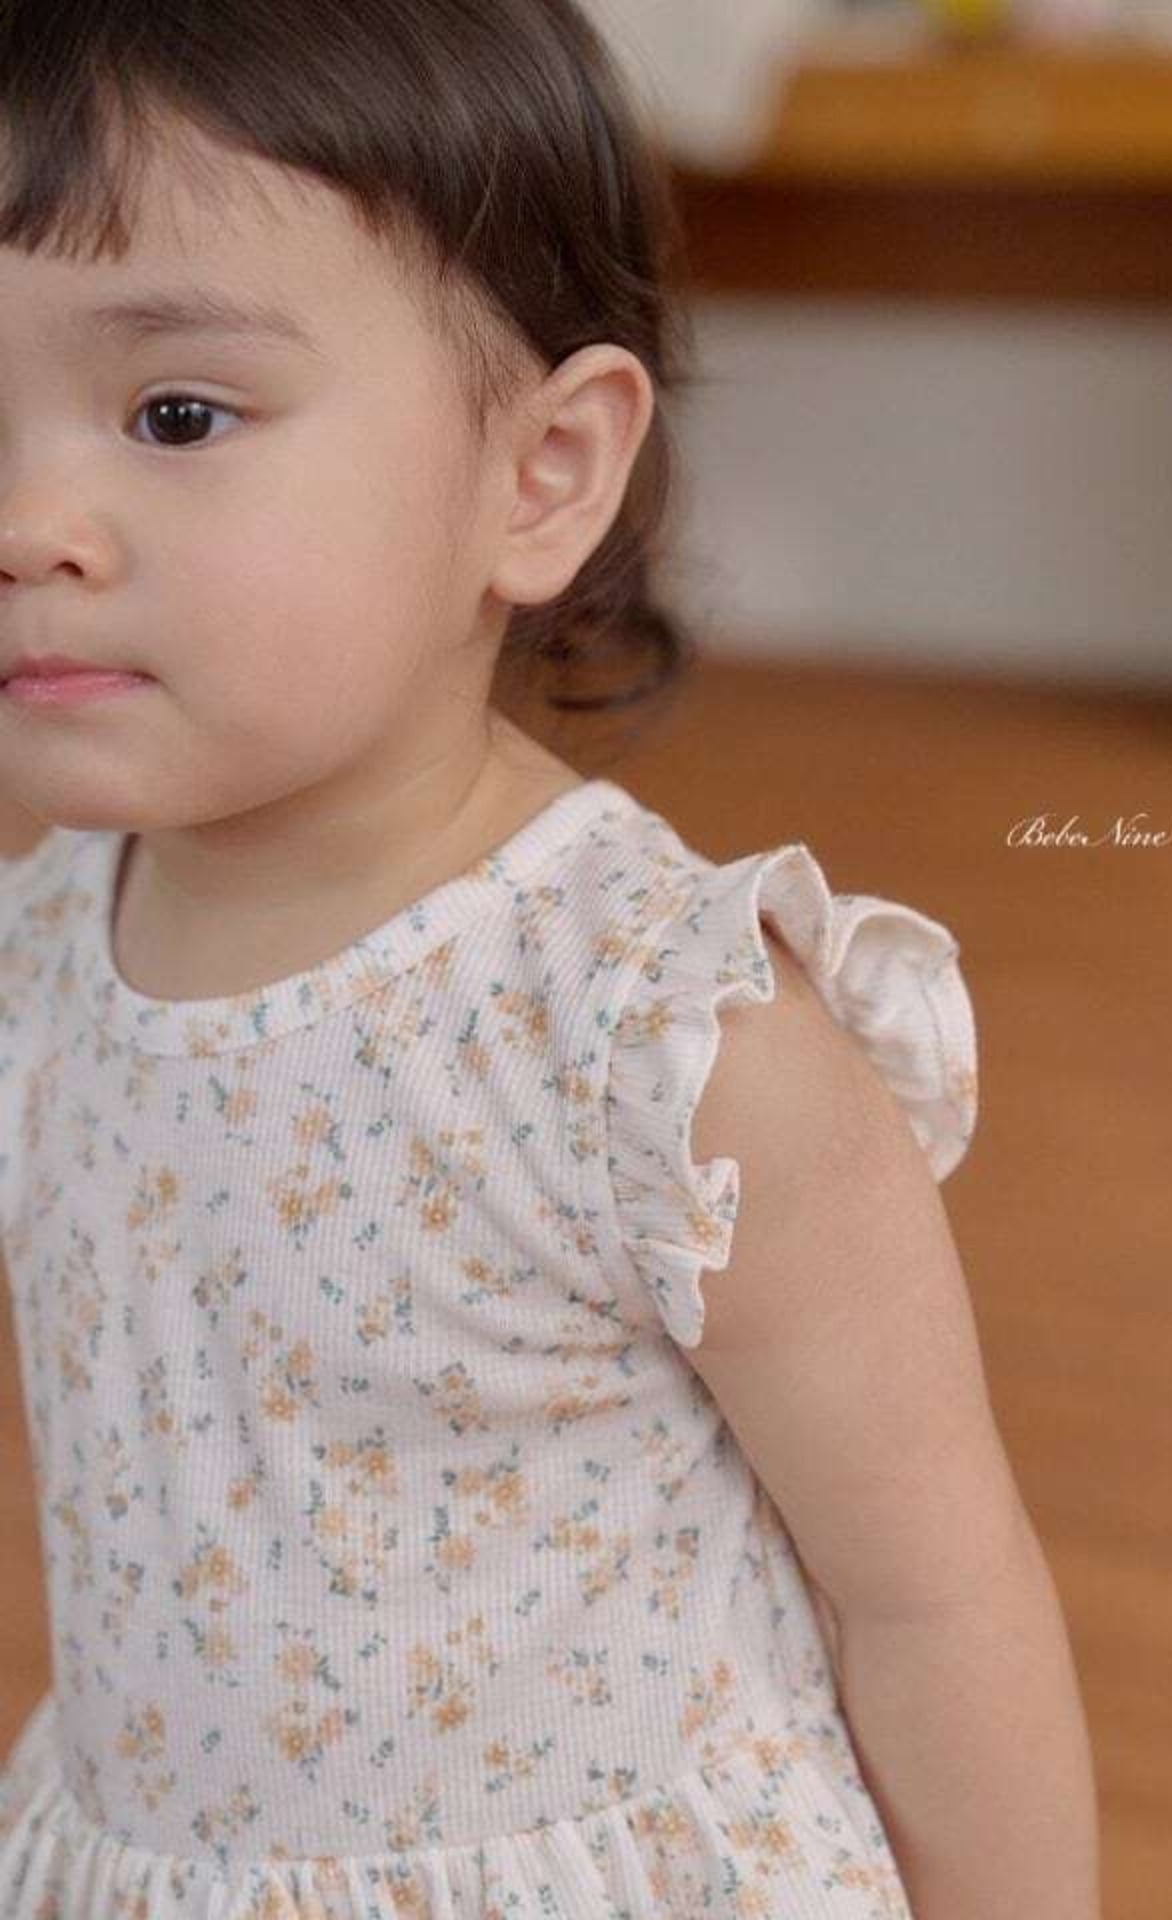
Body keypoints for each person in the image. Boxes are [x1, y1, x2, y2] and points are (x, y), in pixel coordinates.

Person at [0, 2, 1102, 1914]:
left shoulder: (659, 1038)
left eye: (177, 416)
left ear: (541, 474)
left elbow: (936, 1598)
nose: (26, 527)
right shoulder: (38, 955)